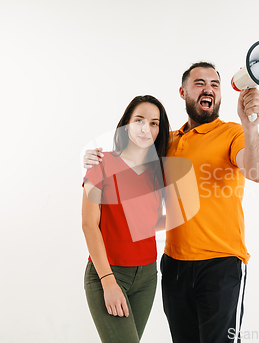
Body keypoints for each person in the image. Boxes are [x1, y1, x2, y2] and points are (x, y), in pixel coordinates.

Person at [83, 62, 259, 343]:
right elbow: (128, 163)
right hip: (174, 266)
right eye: (199, 83)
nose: (208, 89)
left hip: (220, 265)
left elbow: (256, 172)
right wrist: (93, 159)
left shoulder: (233, 133)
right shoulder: (166, 143)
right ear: (183, 92)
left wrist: (251, 127)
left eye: (214, 84)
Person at [81, 95, 171, 343]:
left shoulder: (157, 172)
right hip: (108, 273)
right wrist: (108, 282)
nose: (146, 128)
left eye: (154, 123)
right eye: (139, 120)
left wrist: (177, 218)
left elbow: (148, 223)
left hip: (147, 277)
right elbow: (89, 225)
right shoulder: (100, 163)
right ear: (126, 124)